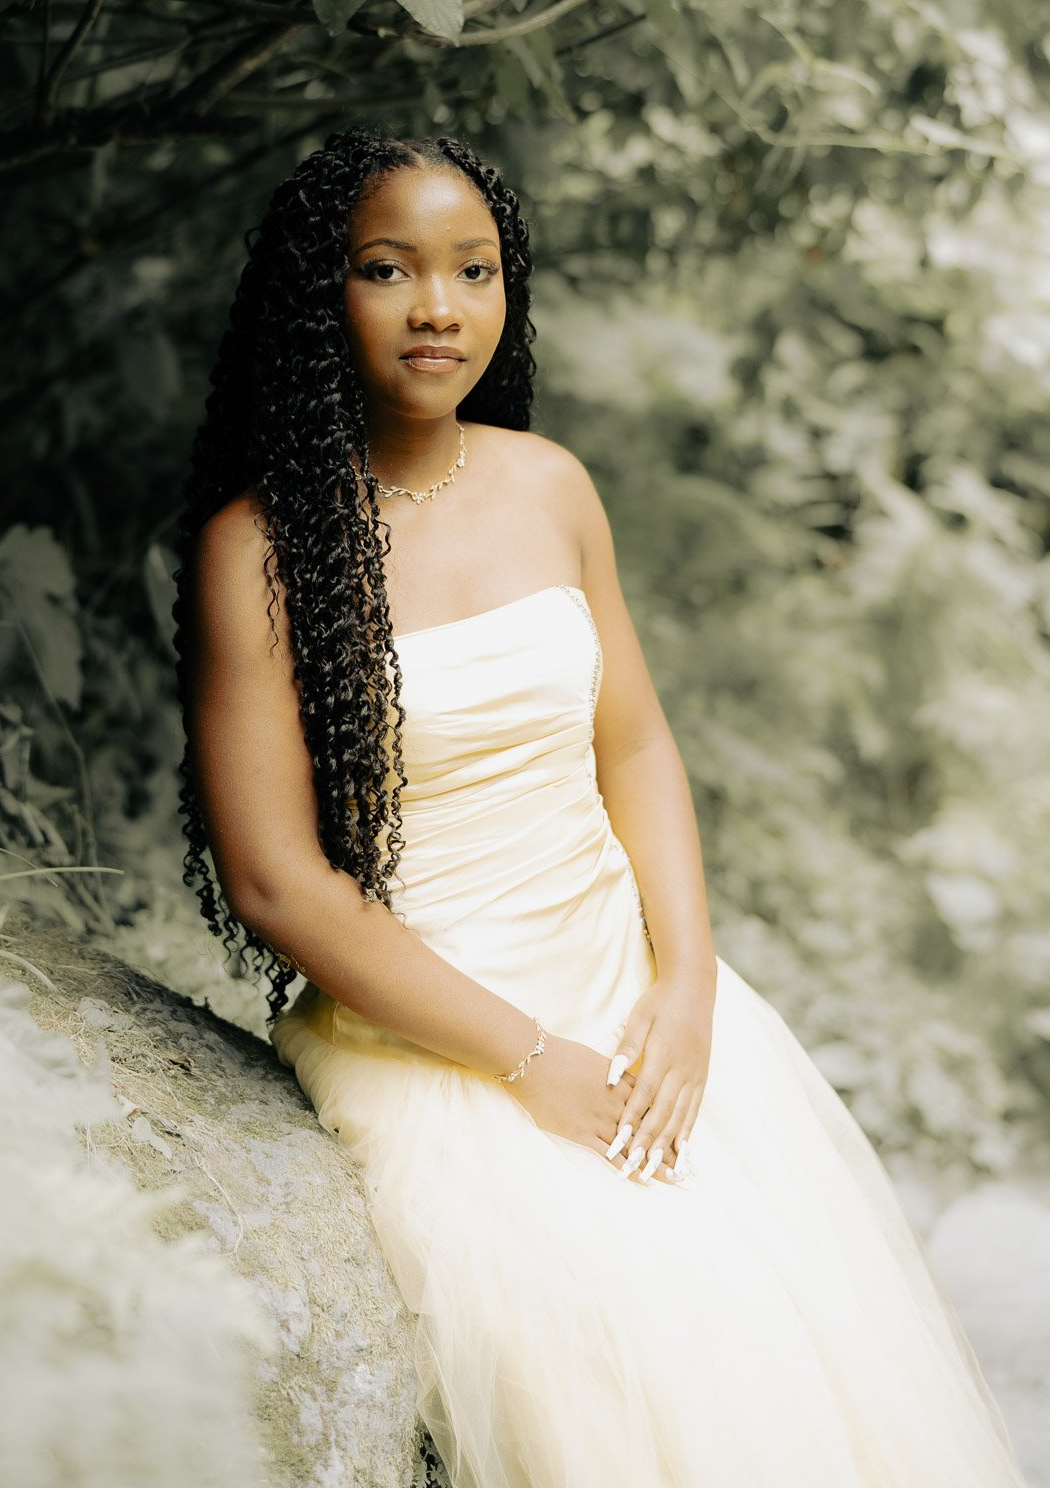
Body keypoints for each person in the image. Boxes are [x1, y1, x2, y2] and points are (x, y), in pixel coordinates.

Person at [173, 123, 1028, 1488]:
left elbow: (633, 749)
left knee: (778, 1369)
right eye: (388, 269)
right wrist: (528, 1061)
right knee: (600, 1371)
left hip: (628, 996)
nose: (440, 306)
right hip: (435, 1039)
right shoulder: (258, 547)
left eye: (476, 269)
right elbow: (281, 884)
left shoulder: (550, 484)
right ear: (316, 296)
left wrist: (684, 988)